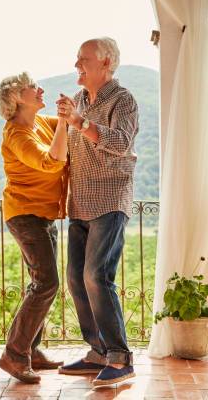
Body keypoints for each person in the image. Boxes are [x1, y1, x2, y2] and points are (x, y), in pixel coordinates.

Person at [56, 37, 139, 386]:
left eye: (84, 58)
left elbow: (122, 142)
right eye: (77, 57)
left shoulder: (123, 100)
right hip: (80, 202)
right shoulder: (78, 100)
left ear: (105, 63)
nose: (77, 63)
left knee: (96, 276)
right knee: (76, 278)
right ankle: (98, 352)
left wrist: (79, 122)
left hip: (109, 199)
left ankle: (120, 359)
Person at [0, 72, 68, 384]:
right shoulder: (16, 134)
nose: (40, 89)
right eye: (31, 87)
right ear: (16, 100)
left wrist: (71, 114)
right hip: (24, 215)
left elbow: (72, 132)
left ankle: (31, 351)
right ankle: (14, 355)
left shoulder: (39, 123)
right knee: (46, 283)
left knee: (41, 283)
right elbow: (52, 161)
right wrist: (66, 122)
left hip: (43, 214)